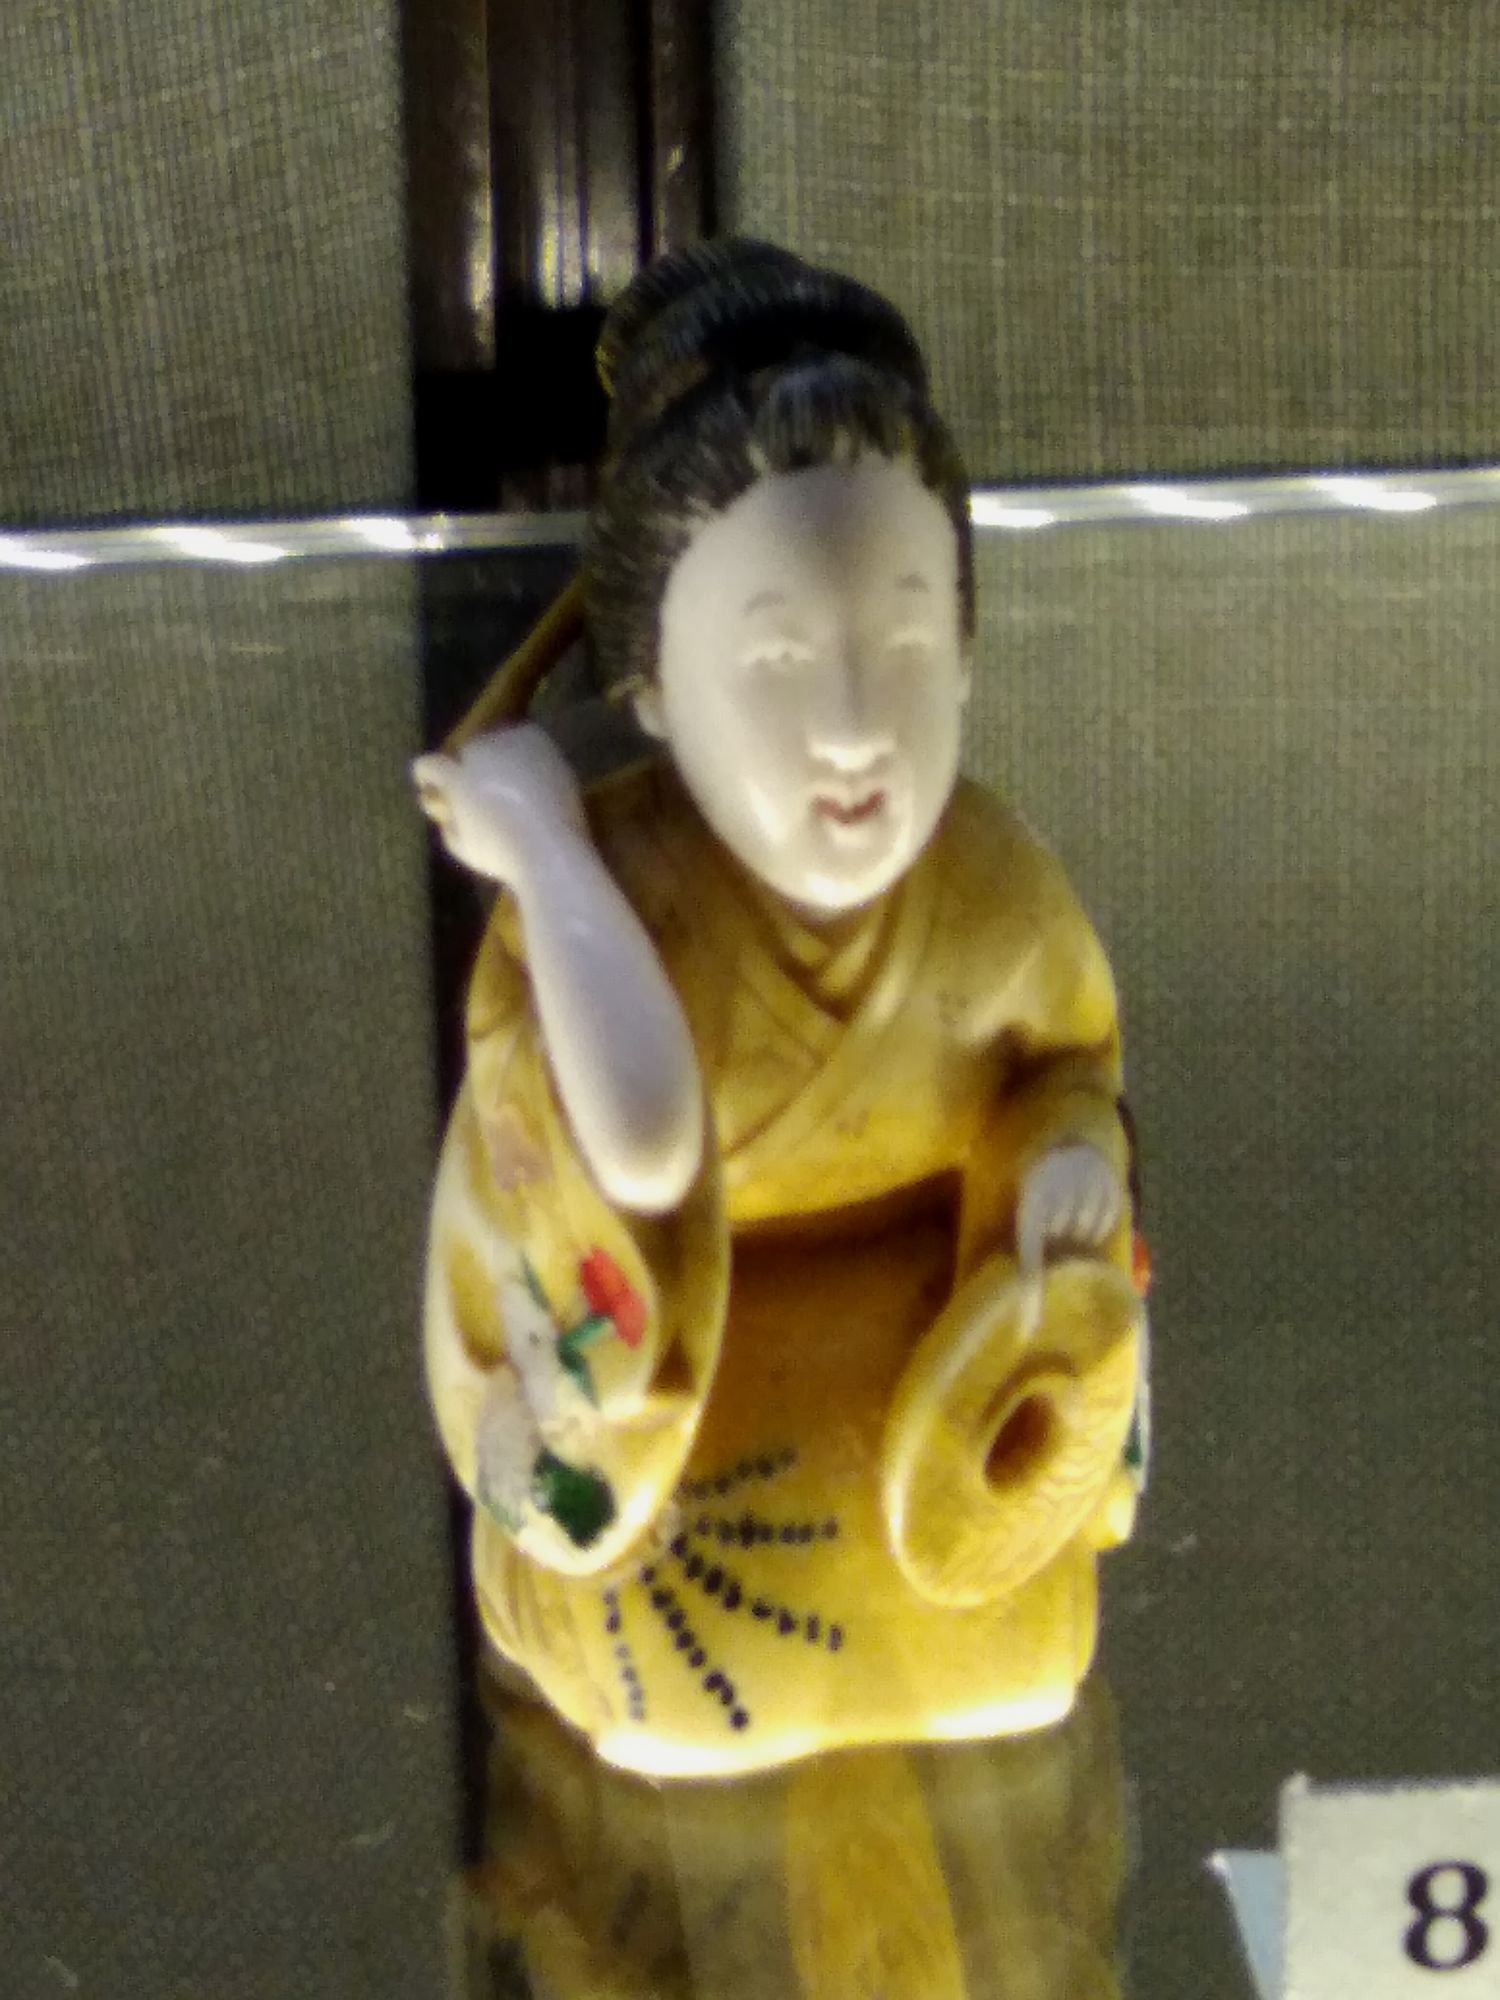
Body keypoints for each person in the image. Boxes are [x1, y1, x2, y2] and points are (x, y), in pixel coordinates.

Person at [415, 240, 1147, 1779]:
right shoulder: (615, 896)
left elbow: (1067, 1071)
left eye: (904, 645)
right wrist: (547, 850)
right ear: (654, 691)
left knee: (1014, 1631)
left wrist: (1060, 1161)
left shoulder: (998, 897)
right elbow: (639, 1150)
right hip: (695, 1414)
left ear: (965, 655)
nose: (852, 728)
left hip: (930, 1379)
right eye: (778, 658)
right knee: (678, 1663)